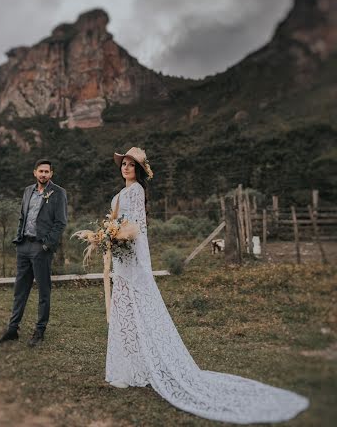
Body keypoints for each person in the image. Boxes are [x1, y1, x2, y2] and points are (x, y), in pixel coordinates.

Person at [106, 147, 309, 423]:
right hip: (120, 260)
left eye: (131, 164)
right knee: (124, 314)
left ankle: (143, 368)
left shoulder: (136, 192)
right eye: (124, 164)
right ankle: (127, 369)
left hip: (132, 260)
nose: (126, 167)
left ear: (139, 170)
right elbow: (117, 224)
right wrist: (107, 237)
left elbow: (138, 230)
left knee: (139, 313)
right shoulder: (120, 194)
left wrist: (135, 258)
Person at [0, 159, 67, 347]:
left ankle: (39, 331)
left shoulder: (58, 193)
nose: (43, 174)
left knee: (43, 291)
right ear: (35, 172)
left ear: (51, 174)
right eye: (40, 171)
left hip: (41, 248)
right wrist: (19, 238)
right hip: (23, 246)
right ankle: (12, 329)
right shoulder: (27, 191)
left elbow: (60, 222)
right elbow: (22, 217)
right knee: (20, 290)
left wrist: (47, 246)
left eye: (47, 172)